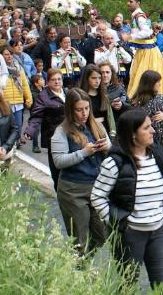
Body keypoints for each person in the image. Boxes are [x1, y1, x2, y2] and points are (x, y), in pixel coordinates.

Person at [91, 109, 163, 289]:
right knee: (128, 286)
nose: (153, 130)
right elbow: (97, 196)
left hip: (160, 229)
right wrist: (120, 222)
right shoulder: (114, 163)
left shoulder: (157, 154)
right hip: (130, 234)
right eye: (146, 128)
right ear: (132, 135)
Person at [52, 87, 111, 256]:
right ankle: (80, 273)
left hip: (97, 188)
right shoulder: (61, 131)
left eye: (86, 108)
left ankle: (83, 264)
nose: (84, 113)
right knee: (79, 240)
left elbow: (111, 148)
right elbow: (59, 161)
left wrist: (107, 147)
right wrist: (84, 152)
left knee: (102, 234)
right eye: (79, 110)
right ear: (70, 110)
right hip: (73, 190)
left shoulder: (96, 125)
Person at [25, 68, 67, 186]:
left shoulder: (68, 92)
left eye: (59, 79)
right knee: (56, 170)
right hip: (53, 137)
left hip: (70, 135)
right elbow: (36, 116)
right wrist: (30, 130)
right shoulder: (43, 96)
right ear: (48, 82)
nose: (57, 82)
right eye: (53, 80)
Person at [124, 0, 163, 98]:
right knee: (139, 76)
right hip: (145, 50)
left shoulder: (139, 16)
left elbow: (146, 33)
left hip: (148, 52)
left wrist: (130, 36)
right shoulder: (137, 15)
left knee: (141, 77)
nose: (128, 4)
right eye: (128, 1)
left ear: (138, 3)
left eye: (131, 1)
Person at [0, 44, 32, 141]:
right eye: (6, 54)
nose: (9, 56)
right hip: (5, 102)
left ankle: (16, 142)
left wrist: (28, 98)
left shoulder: (18, 68)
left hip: (18, 102)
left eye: (10, 54)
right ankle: (8, 144)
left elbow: (25, 84)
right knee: (6, 126)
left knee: (18, 125)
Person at [79, 64, 114, 136]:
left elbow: (109, 118)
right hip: (87, 131)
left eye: (99, 78)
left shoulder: (103, 95)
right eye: (94, 78)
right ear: (87, 78)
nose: (97, 81)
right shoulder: (80, 96)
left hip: (104, 131)